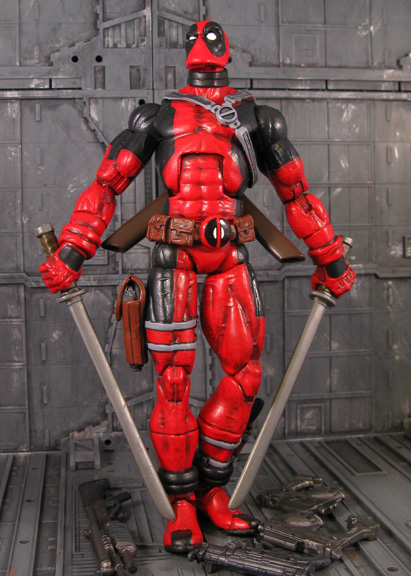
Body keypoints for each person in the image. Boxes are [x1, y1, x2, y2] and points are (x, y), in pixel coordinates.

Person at [40, 20, 355, 553]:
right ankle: (182, 503)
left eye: (213, 40)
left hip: (230, 257)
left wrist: (331, 257)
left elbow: (296, 193)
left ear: (226, 49)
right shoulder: (157, 117)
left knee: (244, 377)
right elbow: (106, 185)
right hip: (175, 259)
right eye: (199, 40)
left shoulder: (257, 119)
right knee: (173, 383)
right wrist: (72, 251)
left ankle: (212, 490)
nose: (206, 47)